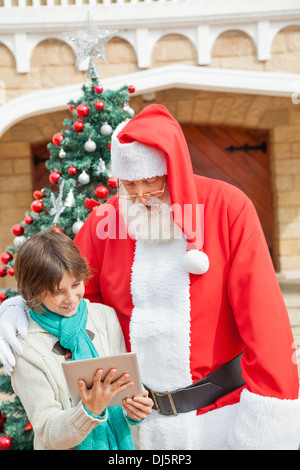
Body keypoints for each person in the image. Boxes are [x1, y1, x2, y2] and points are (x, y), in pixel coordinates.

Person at [1, 104, 300, 450]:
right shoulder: (104, 223)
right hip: (137, 429)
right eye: (129, 184)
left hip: (220, 417)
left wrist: (267, 423)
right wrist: (21, 307)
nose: (141, 196)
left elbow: (265, 322)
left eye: (151, 182)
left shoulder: (228, 208)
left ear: (171, 171)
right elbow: (66, 288)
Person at [7, 229, 153, 450]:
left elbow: (125, 389)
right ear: (34, 291)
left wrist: (134, 409)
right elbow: (47, 434)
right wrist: (89, 411)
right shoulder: (25, 347)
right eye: (56, 291)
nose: (70, 299)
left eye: (76, 284)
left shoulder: (104, 317)